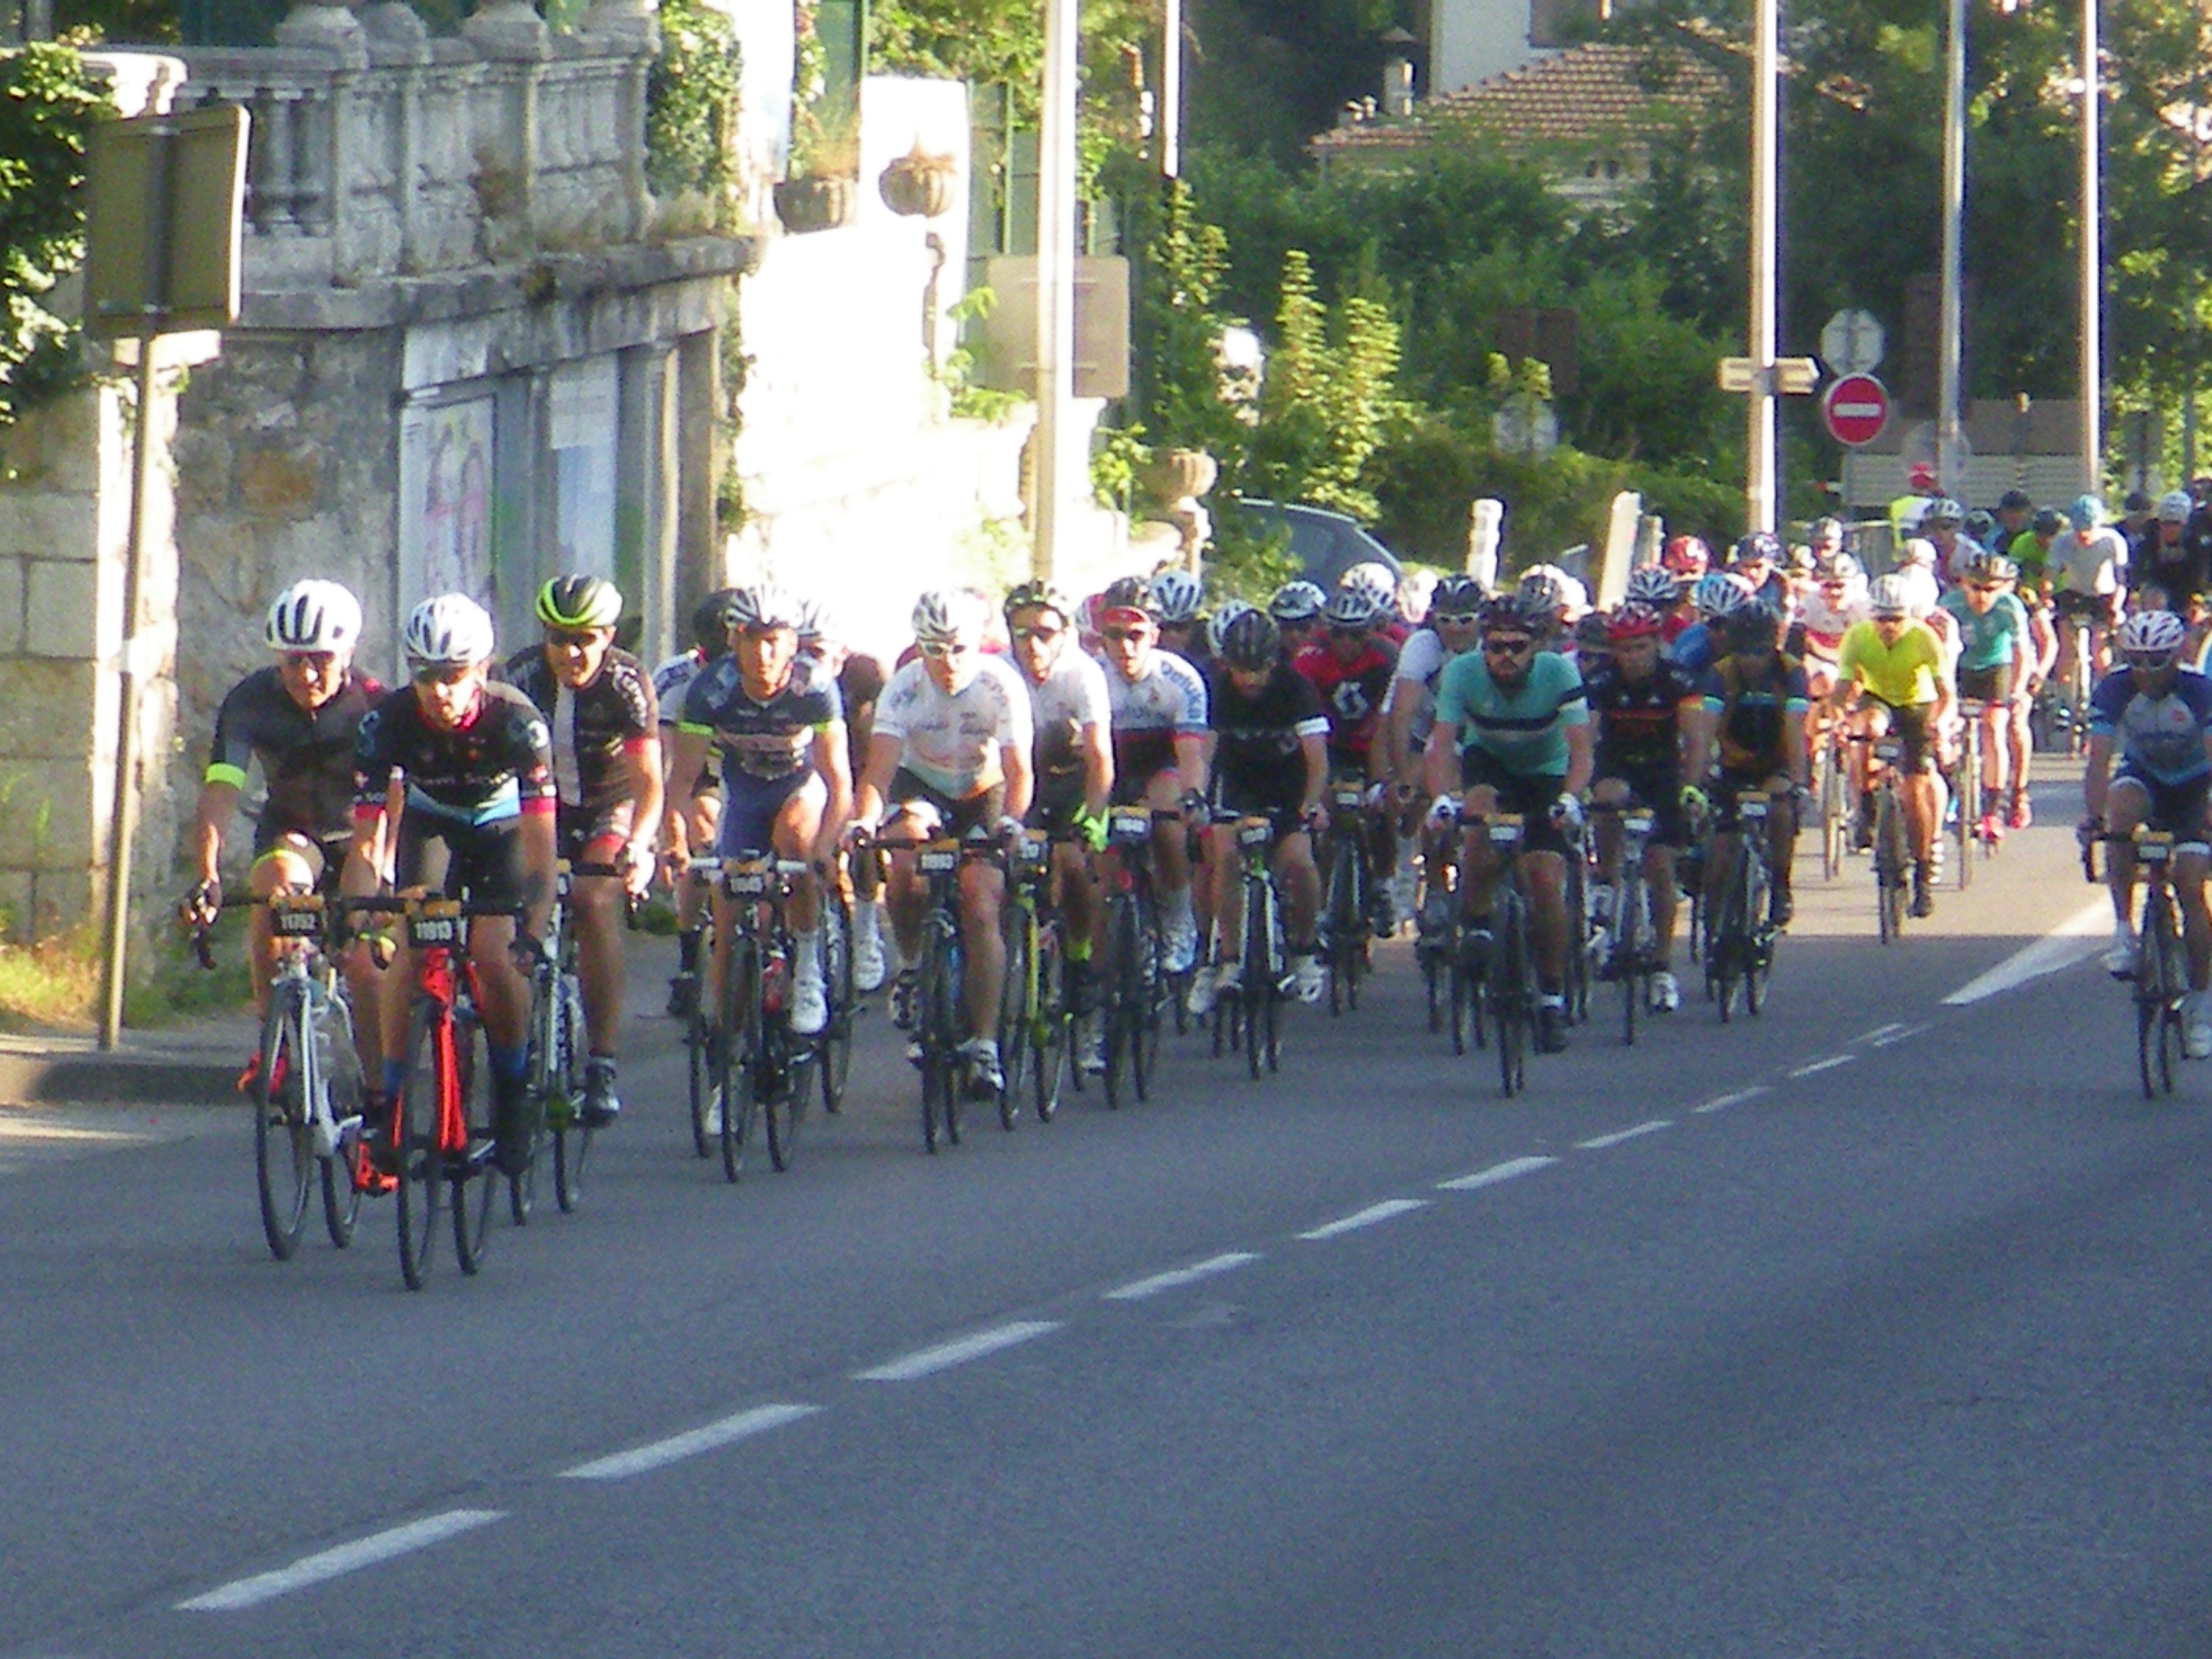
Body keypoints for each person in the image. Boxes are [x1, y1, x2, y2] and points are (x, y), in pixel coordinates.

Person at [347, 594, 557, 1176]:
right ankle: (391, 1101)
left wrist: (532, 933)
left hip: (501, 827)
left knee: (494, 955)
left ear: (481, 671)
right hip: (432, 821)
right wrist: (366, 916)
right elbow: (368, 842)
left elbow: (542, 845)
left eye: (453, 676)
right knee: (409, 952)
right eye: (425, 675)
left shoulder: (518, 721)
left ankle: (513, 1089)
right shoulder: (386, 723)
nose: (439, 690)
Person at [186, 579, 384, 1096]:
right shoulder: (251, 700)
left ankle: (383, 1100)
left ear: (347, 653)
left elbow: (394, 803)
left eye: (320, 659)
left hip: (364, 832)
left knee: (366, 967)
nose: (307, 674)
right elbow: (221, 789)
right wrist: (207, 873)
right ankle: (272, 1038)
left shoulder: (375, 705)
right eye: (293, 661)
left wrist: (375, 880)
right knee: (272, 892)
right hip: (296, 832)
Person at [849, 589, 1034, 1096]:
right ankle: (912, 964)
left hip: (983, 790)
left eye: (957, 649)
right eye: (933, 649)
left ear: (978, 644)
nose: (947, 662)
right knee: (905, 866)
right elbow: (879, 771)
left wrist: (1012, 823)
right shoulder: (904, 689)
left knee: (980, 904)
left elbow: (1019, 771)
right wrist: (864, 821)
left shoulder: (1001, 685)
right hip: (923, 784)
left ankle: (986, 1045)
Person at [498, 575, 661, 1125]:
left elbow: (650, 782)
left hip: (606, 807)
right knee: (511, 906)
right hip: (541, 811)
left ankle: (604, 1061)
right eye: (558, 638)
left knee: (593, 901)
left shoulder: (626, 681)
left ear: (608, 637)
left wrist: (639, 844)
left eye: (585, 639)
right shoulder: (520, 676)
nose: (570, 652)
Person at [666, 583, 851, 1045]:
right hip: (743, 794)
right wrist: (674, 838)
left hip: (800, 785)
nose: (763, 652)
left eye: (775, 639)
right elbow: (683, 780)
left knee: (797, 842)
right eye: (751, 638)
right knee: (728, 919)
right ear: (734, 641)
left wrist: (827, 846)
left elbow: (838, 780)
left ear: (793, 643)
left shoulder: (814, 687)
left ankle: (808, 967)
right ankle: (729, 1047)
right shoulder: (711, 689)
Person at [1423, 587, 1594, 1055]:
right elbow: (1442, 745)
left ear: (1537, 645)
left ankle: (1553, 995)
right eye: (1494, 646)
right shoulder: (1462, 672)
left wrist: (1571, 799)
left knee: (1543, 880)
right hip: (1489, 764)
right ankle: (1478, 925)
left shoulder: (1560, 673)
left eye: (1516, 647)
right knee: (1478, 822)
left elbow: (1581, 749)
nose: (1504, 657)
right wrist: (1441, 797)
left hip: (1547, 774)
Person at [2082, 608, 2212, 1057]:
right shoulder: (2115, 688)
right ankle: (2124, 930)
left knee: (2190, 884)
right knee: (2120, 812)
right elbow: (2100, 759)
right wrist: (2093, 820)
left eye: (2156, 661)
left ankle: (2202, 1003)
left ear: (2175, 657)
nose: (2144, 671)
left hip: (2198, 787)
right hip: (2148, 778)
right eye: (2134, 659)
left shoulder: (2199, 691)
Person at [1192, 608, 1330, 1014]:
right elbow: (1204, 753)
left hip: (1288, 789)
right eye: (1241, 668)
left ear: (1275, 661)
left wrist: (1310, 805)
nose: (1250, 679)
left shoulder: (1297, 689)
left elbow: (1318, 760)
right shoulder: (1216, 690)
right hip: (1237, 790)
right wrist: (1197, 796)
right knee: (1226, 858)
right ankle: (1230, 959)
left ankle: (1305, 950)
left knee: (1300, 866)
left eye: (1260, 668)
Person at [1002, 580, 1114, 1070]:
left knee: (1072, 864)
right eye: (1022, 632)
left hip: (1073, 784)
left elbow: (1100, 759)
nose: (1034, 644)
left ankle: (1082, 961)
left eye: (1045, 632)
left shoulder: (1083, 675)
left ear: (1065, 634)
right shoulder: (999, 672)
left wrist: (1092, 821)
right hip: (1018, 784)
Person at [1582, 603, 1706, 1011]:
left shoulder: (1678, 680)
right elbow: (1587, 737)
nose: (1633, 657)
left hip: (1662, 773)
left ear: (1656, 644)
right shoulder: (1602, 681)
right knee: (1606, 799)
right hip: (1618, 767)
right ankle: (1606, 875)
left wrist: (1691, 788)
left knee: (1660, 870)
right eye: (1624, 649)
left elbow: (1696, 742)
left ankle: (1661, 967)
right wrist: (1583, 784)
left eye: (1640, 647)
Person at [1093, 575, 1209, 974]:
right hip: (1108, 766)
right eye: (1115, 634)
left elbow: (1191, 753)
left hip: (1162, 762)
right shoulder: (1090, 679)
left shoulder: (1181, 679)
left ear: (1155, 635)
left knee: (1167, 827)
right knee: (1102, 872)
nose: (1125, 646)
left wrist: (1192, 796)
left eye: (1136, 635)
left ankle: (1179, 919)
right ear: (1101, 635)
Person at [1832, 574, 1956, 919]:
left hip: (1917, 705)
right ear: (1872, 616)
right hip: (1879, 699)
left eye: (1896, 619)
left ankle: (1922, 871)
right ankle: (1865, 808)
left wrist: (1939, 722)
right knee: (1864, 730)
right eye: (1882, 618)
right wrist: (1839, 716)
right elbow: (1843, 686)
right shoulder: (1858, 636)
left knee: (1915, 793)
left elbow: (1946, 693)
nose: (1889, 626)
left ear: (1908, 616)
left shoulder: (1924, 637)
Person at [1296, 580, 1401, 932]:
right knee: (1321, 814)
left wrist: (1381, 779)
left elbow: (1392, 713)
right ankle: (1324, 893)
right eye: (1338, 634)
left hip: (1371, 741)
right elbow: (1301, 714)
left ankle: (1384, 882)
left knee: (1382, 808)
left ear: (1370, 632)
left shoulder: (1387, 658)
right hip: (1329, 744)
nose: (1346, 643)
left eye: (1356, 635)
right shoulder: (1310, 659)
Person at [1385, 574, 1486, 934]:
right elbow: (1402, 714)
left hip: (1478, 726)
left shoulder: (1493, 646)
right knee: (1423, 789)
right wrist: (1402, 778)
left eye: (1464, 621)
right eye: (1445, 620)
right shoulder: (1423, 645)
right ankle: (1432, 880)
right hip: (1428, 724)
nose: (1454, 630)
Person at [655, 588, 739, 1016]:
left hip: (756, 763)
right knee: (702, 829)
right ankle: (689, 955)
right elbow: (670, 760)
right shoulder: (676, 678)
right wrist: (675, 826)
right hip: (701, 764)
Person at [1700, 602, 1811, 927]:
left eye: (1759, 652)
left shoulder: (1791, 671)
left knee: (1779, 810)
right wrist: (1702, 768)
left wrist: (1798, 781)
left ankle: (1780, 885)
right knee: (1721, 849)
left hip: (1775, 763)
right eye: (1744, 652)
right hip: (1733, 764)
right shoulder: (1721, 673)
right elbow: (1707, 725)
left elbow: (1794, 727)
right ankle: (1716, 920)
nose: (1751, 660)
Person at [1939, 549, 2034, 839]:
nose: (1982, 596)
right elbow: (1933, 652)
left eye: (1990, 590)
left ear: (2003, 587)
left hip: (1996, 668)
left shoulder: (2010, 608)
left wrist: (2017, 692)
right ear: (1964, 583)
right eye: (1975, 588)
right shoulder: (1949, 606)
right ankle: (1955, 782)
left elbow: (2021, 654)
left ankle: (1993, 808)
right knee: (1946, 732)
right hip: (1958, 668)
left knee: (1994, 727)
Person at [1269, 580, 1327, 659]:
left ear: (1321, 625)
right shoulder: (1266, 662)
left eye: (1303, 627)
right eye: (1286, 627)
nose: (1294, 635)